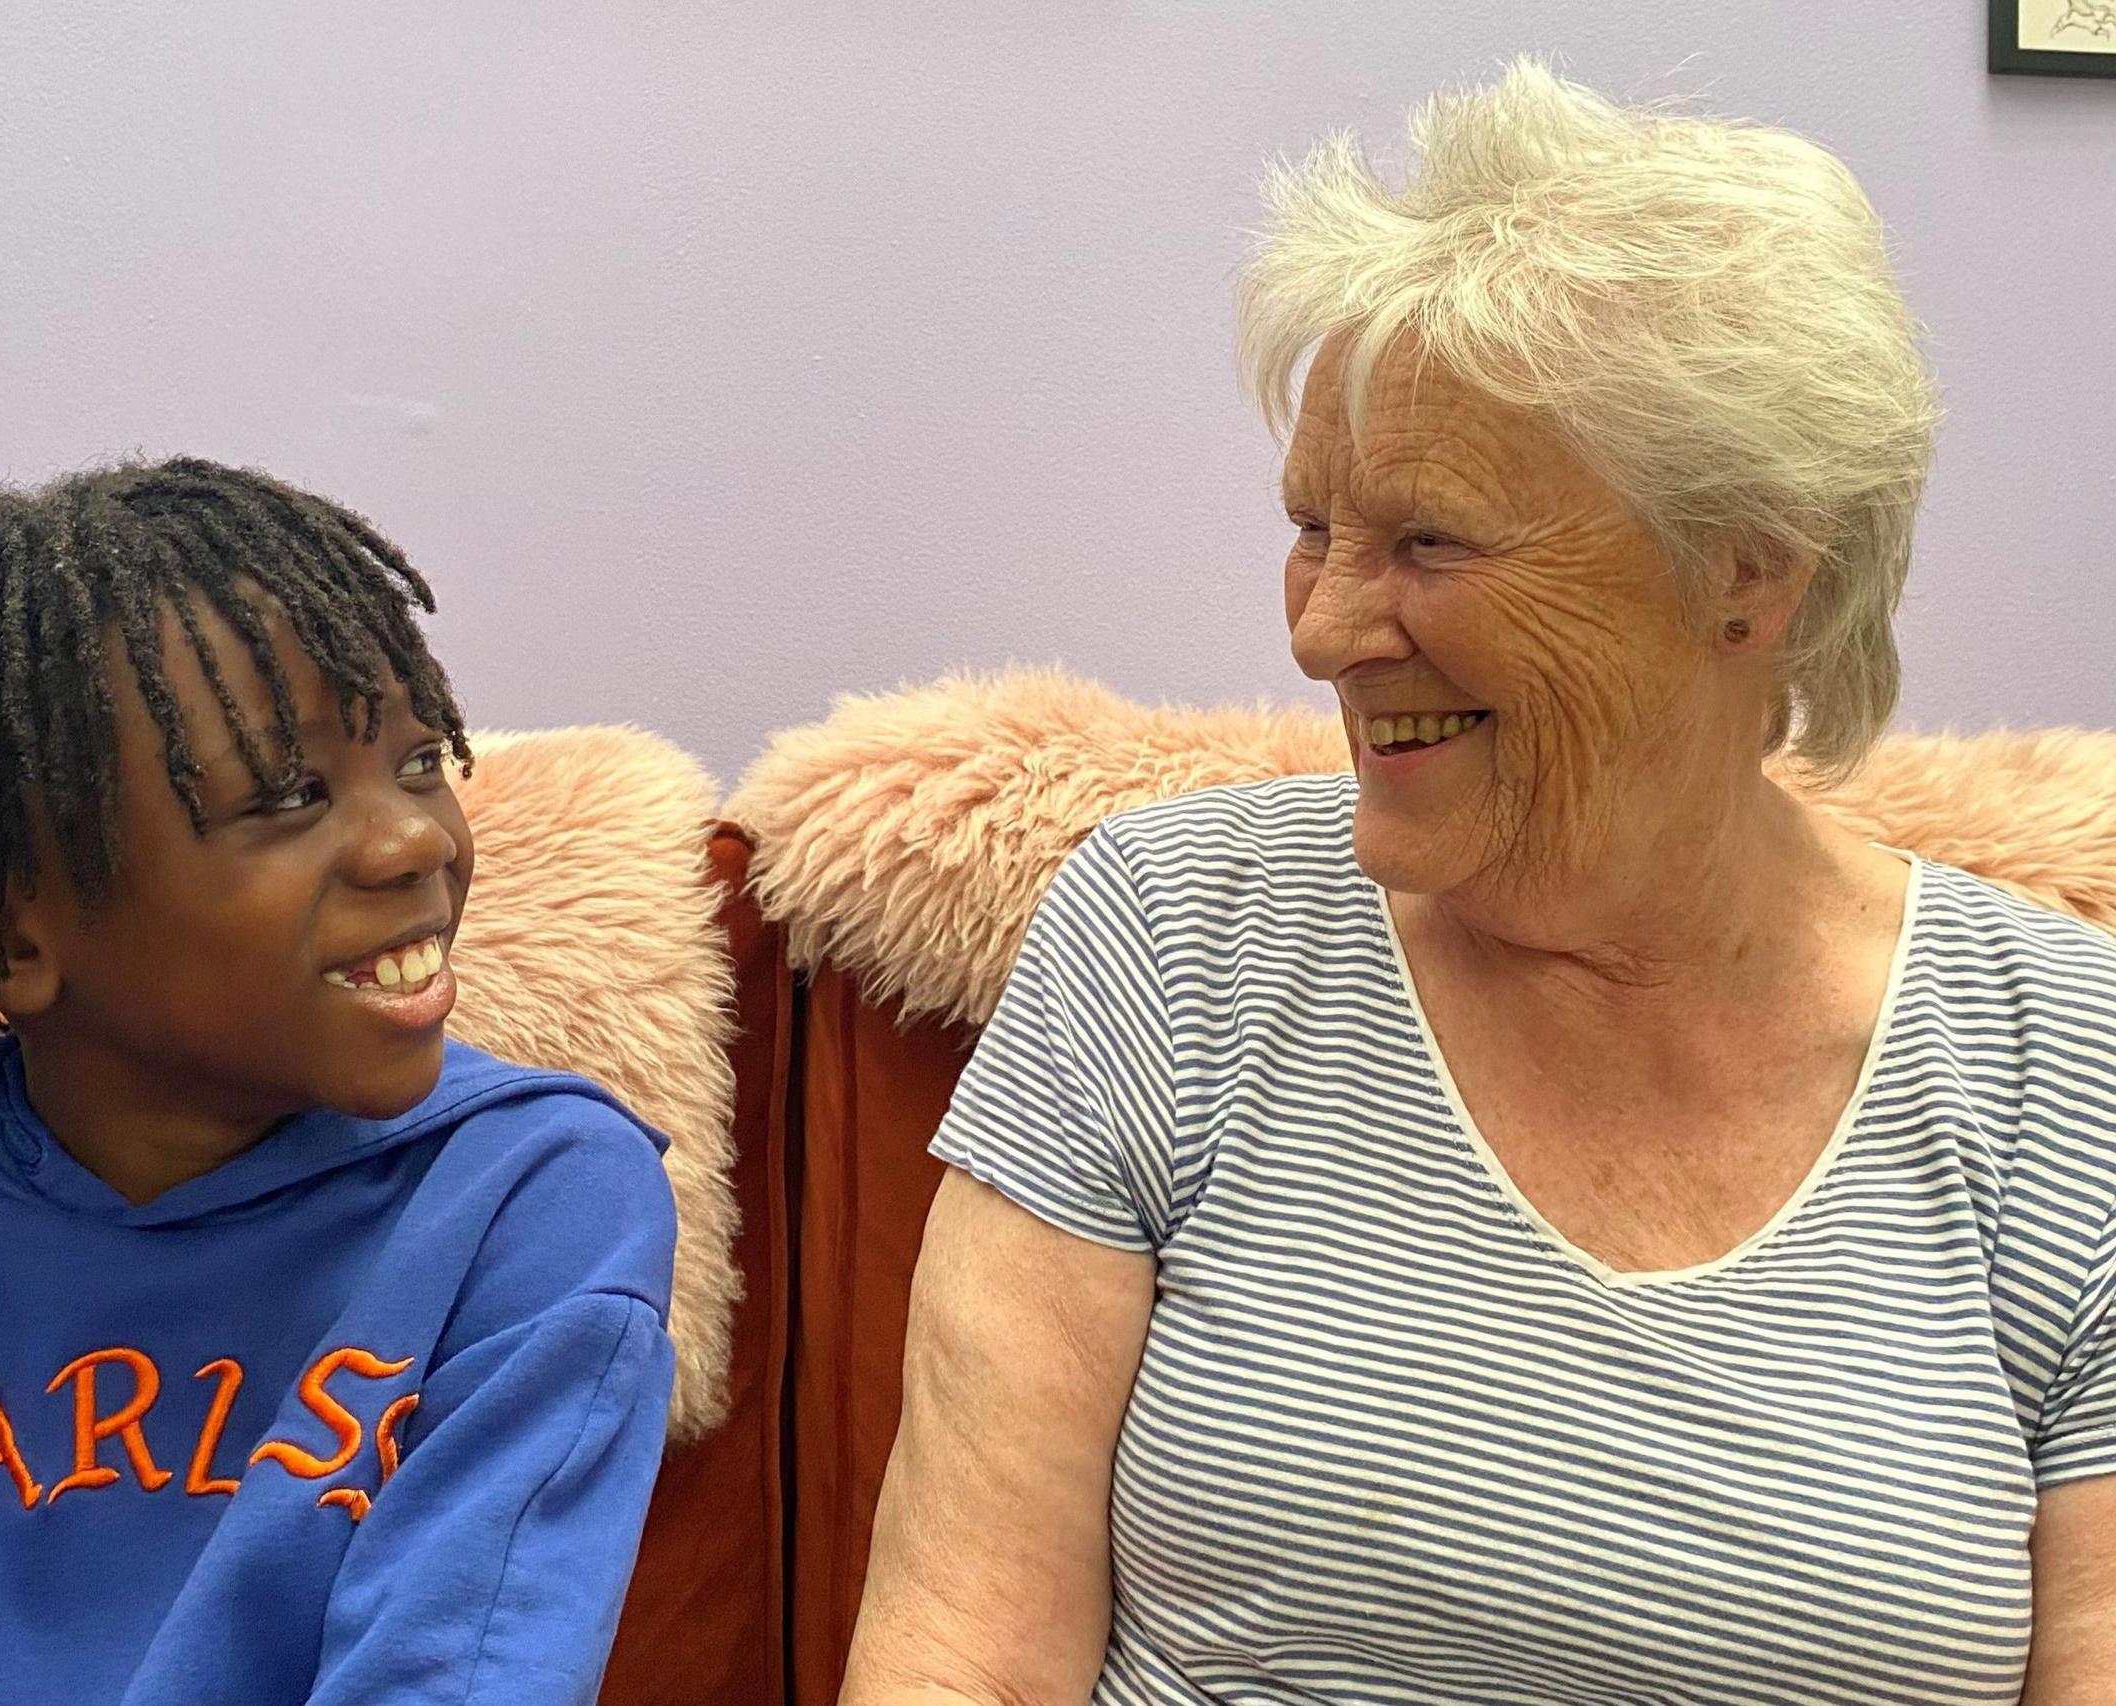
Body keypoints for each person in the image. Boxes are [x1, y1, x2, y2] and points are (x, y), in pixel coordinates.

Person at [843, 62, 2116, 1706]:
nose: (1319, 629)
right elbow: (964, 1660)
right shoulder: (1166, 938)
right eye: (1314, 528)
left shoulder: (2066, 1070)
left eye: (1429, 543)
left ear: (1744, 572)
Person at [0, 460, 678, 1704]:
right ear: (0, 935)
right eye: (292, 793)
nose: (417, 837)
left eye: (417, 761)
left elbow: (463, 1672)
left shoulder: (527, 1197)